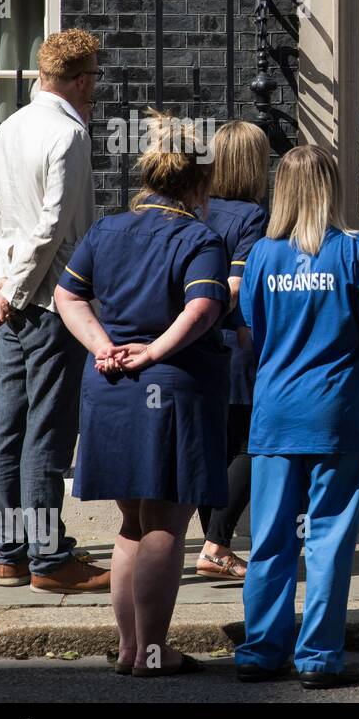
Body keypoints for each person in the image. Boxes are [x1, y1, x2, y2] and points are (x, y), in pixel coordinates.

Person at [55, 111, 230, 676]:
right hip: (171, 390)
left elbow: (67, 297)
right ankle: (154, 652)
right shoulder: (199, 237)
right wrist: (153, 351)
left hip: (109, 387)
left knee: (131, 522)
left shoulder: (106, 230)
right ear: (199, 184)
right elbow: (203, 308)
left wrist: (104, 345)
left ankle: (131, 648)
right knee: (166, 524)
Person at [235, 146, 359, 689]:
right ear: (330, 189)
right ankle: (318, 659)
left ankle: (261, 652)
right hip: (335, 412)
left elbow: (253, 332)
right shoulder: (354, 250)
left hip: (276, 412)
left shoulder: (261, 255)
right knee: (328, 538)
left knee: (270, 538)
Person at [0, 28, 110, 594]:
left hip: (12, 297)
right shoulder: (69, 133)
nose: (96, 88)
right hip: (52, 303)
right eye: (94, 78)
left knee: (8, 426)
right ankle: (50, 561)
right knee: (46, 432)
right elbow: (54, 225)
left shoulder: (10, 126)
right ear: (79, 80)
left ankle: (11, 553)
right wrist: (18, 289)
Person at [196, 121, 270, 579]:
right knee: (252, 444)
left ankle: (213, 543)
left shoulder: (198, 209)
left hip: (194, 347)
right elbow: (238, 287)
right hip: (235, 345)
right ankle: (216, 544)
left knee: (214, 448)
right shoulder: (251, 215)